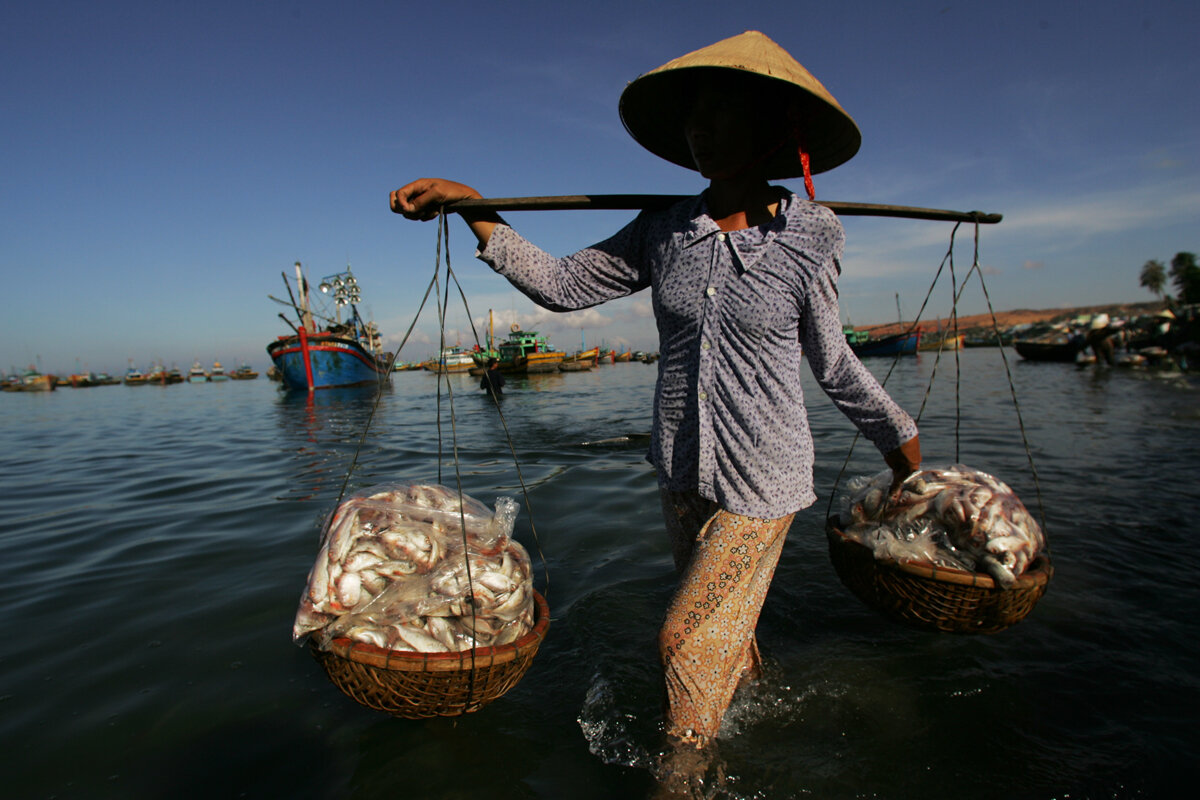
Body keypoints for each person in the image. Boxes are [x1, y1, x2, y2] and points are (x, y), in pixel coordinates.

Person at [390, 30, 920, 763]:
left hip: (763, 484)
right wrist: (474, 204)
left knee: (680, 639)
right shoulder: (666, 231)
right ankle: (753, 711)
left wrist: (903, 452)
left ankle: (683, 775)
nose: (701, 129)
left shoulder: (810, 233)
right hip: (680, 471)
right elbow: (565, 286)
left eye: (722, 113)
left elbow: (831, 361)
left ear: (769, 131)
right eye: (693, 117)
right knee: (717, 638)